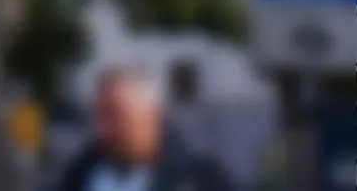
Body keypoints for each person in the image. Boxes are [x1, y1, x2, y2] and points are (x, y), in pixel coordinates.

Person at [51, 66, 233, 191]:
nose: (104, 129)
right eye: (100, 116)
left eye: (115, 116)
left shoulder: (201, 180)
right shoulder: (77, 174)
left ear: (151, 116)